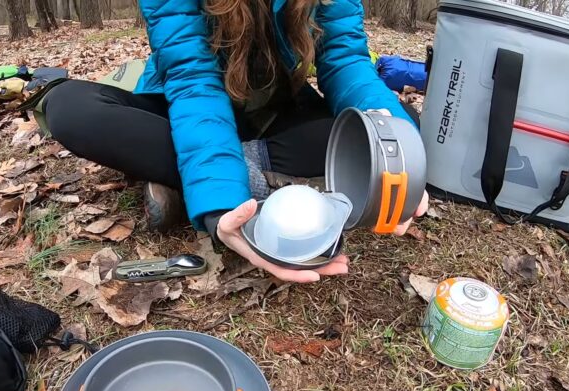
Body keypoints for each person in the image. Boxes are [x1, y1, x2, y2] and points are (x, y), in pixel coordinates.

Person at [40, 0, 429, 284]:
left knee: (397, 123)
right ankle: (227, 176)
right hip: (192, 106)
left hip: (278, 109)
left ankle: (190, 174)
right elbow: (193, 80)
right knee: (71, 108)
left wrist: (397, 156)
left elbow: (345, 61)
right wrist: (222, 206)